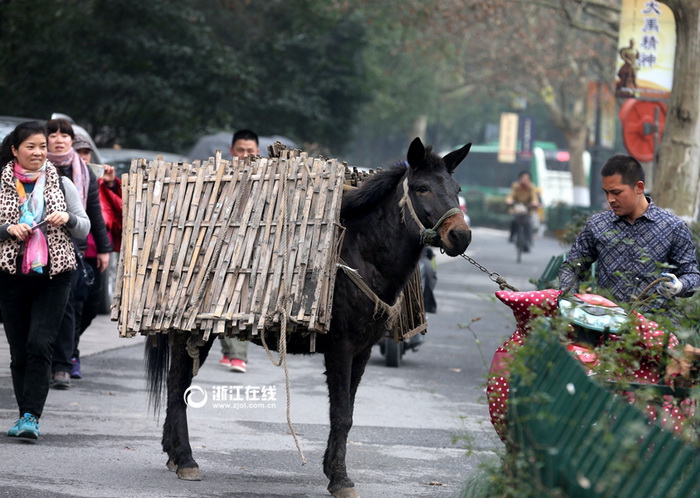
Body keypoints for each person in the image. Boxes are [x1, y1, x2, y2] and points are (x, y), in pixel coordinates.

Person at [0, 121, 90, 439]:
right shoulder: (1, 184)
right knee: (19, 350)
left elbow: (85, 226)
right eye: (31, 147)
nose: (38, 153)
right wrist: (7, 229)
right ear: (14, 150)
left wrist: (68, 218)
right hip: (10, 277)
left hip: (56, 275)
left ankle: (30, 417)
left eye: (42, 146)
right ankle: (23, 414)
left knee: (40, 343)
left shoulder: (62, 183)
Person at [559, 154, 700, 305]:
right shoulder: (597, 225)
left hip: (654, 323)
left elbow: (691, 274)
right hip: (607, 320)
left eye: (616, 192)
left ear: (639, 187)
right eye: (606, 192)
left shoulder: (673, 227)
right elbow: (571, 267)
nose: (610, 199)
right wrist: (569, 302)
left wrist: (679, 286)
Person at [46, 119, 112, 388]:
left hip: (74, 248)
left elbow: (93, 213)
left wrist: (104, 249)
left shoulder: (83, 172)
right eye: (53, 134)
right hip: (34, 247)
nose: (59, 139)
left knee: (71, 305)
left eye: (65, 135)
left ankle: (63, 364)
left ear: (72, 140)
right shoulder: (33, 169)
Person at [71, 135, 122, 378]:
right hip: (72, 254)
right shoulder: (62, 182)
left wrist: (111, 186)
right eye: (77, 153)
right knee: (75, 307)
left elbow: (124, 214)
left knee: (91, 307)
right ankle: (70, 355)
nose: (82, 158)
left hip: (96, 255)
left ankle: (65, 346)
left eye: (86, 153)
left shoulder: (100, 185)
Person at [218, 129, 258, 373]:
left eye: (250, 151)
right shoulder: (219, 176)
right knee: (222, 301)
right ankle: (228, 351)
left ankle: (238, 355)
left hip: (251, 250)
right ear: (232, 151)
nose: (245, 155)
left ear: (258, 152)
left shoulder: (268, 178)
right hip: (221, 247)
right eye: (240, 151)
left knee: (240, 301)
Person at [505, 171, 540, 251]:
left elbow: (534, 198)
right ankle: (512, 236)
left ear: (529, 180)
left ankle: (527, 241)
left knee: (528, 224)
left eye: (526, 179)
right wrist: (509, 201)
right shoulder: (515, 186)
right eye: (522, 179)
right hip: (516, 208)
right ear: (519, 179)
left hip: (527, 208)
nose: (524, 181)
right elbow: (511, 196)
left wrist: (534, 203)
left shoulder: (531, 187)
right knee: (513, 220)